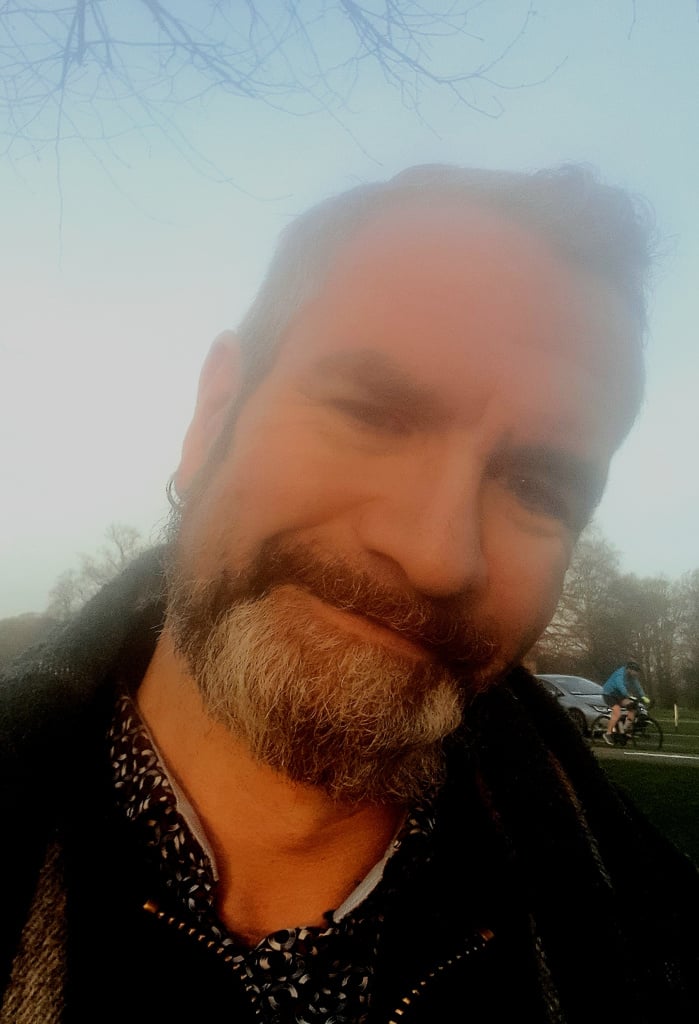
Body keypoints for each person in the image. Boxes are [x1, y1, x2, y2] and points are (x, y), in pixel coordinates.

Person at [1, 164, 697, 1023]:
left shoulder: (664, 948)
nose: (436, 556)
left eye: (535, 488)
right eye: (372, 413)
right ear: (215, 414)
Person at [602, 659, 648, 745]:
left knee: (633, 707)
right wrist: (628, 695)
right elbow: (621, 686)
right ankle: (608, 734)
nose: (636, 674)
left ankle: (626, 731)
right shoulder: (620, 674)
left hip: (619, 695)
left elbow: (637, 686)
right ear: (629, 669)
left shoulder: (631, 676)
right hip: (609, 694)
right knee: (617, 712)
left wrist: (643, 696)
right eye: (635, 671)